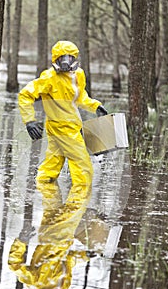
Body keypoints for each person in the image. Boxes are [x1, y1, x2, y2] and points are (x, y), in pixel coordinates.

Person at [18, 40, 108, 186]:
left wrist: (95, 106)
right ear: (55, 59)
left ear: (75, 58)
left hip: (71, 125)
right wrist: (29, 121)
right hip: (61, 127)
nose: (66, 61)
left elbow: (79, 97)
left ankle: (45, 198)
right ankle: (77, 206)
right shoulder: (49, 77)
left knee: (51, 166)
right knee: (83, 170)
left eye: (70, 57)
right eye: (62, 57)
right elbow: (25, 94)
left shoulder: (78, 75)